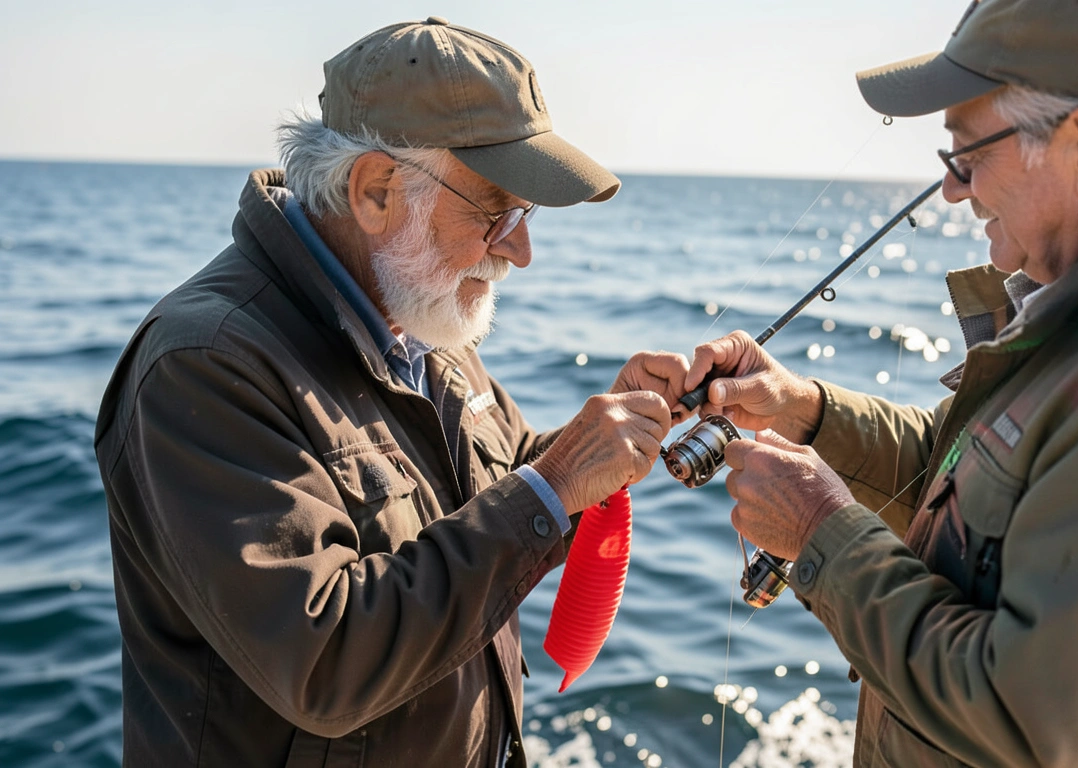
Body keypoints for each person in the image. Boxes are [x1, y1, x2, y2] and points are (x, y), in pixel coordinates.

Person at [680, 0, 1078, 765]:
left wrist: (823, 534)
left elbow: (1030, 723)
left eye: (966, 155)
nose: (951, 190)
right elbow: (981, 485)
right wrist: (810, 415)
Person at [94, 18, 687, 767]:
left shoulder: (422, 318)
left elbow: (506, 485)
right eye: (494, 210)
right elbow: (325, 661)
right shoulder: (202, 365)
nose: (521, 250)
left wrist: (608, 435)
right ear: (374, 190)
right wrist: (560, 479)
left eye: (524, 216)